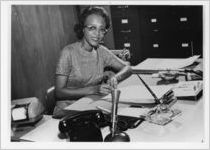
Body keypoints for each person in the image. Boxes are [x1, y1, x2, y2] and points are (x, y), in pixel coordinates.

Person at [53, 6, 132, 115]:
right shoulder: (68, 52)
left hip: (90, 106)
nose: (97, 34)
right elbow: (59, 92)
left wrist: (115, 78)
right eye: (92, 28)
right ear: (83, 29)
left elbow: (127, 68)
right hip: (68, 111)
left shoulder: (101, 51)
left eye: (101, 29)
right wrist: (94, 89)